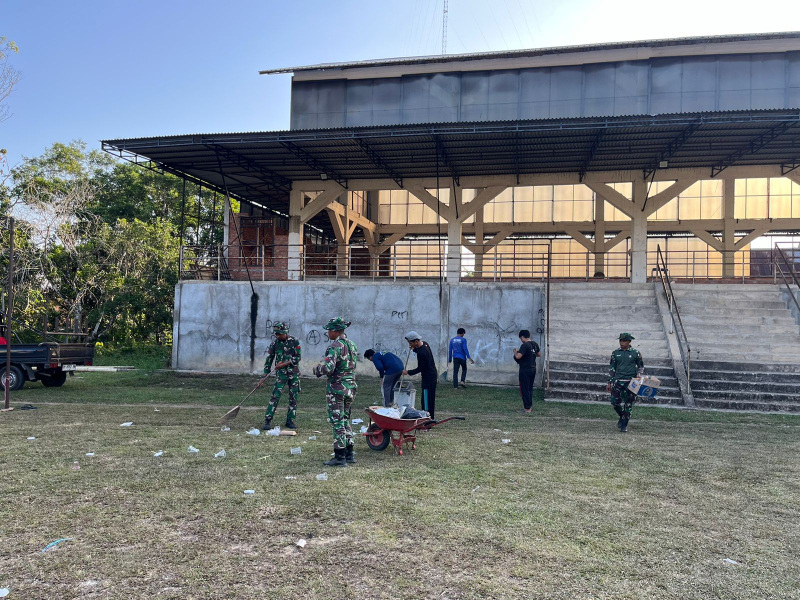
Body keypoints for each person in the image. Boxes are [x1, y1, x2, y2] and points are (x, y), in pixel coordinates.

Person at [313, 317, 358, 467]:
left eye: (329, 330)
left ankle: (339, 457)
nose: (327, 333)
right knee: (345, 419)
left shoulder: (334, 346)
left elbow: (329, 368)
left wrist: (317, 369)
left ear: (335, 331)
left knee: (337, 421)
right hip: (350, 387)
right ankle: (349, 453)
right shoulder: (352, 345)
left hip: (337, 389)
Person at [261, 322, 302, 431]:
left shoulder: (295, 341)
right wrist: (265, 375)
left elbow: (297, 357)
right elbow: (269, 359)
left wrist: (284, 364)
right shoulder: (275, 344)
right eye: (276, 334)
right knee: (275, 396)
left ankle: (290, 420)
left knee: (293, 398)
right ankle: (268, 420)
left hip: (293, 374)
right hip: (281, 375)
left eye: (280, 334)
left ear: (285, 332)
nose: (278, 336)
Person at [607, 333, 644, 433]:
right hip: (618, 381)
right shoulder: (615, 353)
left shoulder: (636, 353)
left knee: (628, 404)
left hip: (631, 382)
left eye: (624, 341)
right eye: (620, 341)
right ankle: (622, 416)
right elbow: (612, 368)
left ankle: (624, 425)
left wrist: (639, 374)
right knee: (614, 403)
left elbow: (640, 366)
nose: (622, 343)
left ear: (629, 342)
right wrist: (610, 382)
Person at [402, 331, 438, 419]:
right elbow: (418, 350)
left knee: (426, 399)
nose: (409, 344)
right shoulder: (425, 344)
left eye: (410, 342)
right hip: (432, 374)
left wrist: (408, 372)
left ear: (416, 341)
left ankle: (426, 419)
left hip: (428, 377)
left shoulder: (422, 353)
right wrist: (413, 349)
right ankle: (430, 417)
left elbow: (420, 368)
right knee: (430, 398)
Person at [513, 330, 541, 413]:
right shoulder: (534, 344)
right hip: (533, 368)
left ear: (522, 337)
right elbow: (539, 354)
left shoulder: (525, 345)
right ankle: (529, 406)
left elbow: (518, 357)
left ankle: (527, 408)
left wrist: (515, 352)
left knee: (524, 388)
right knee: (529, 388)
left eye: (521, 338)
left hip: (525, 369)